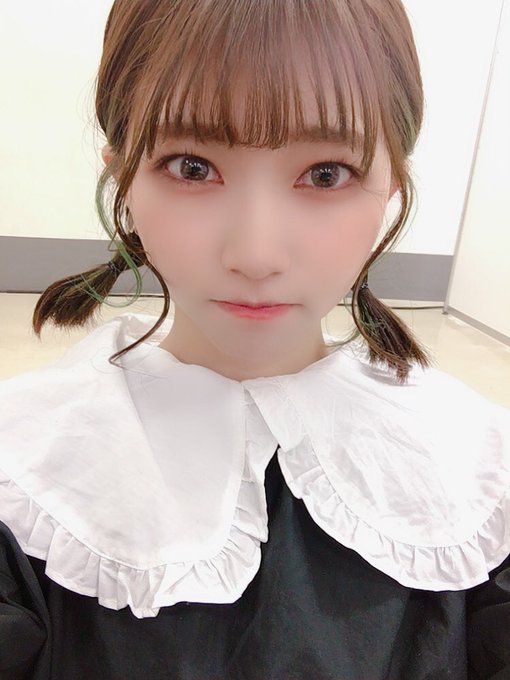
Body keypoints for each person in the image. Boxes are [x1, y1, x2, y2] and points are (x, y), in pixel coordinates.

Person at [0, 0, 509, 678]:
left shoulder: (482, 477)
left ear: (394, 181)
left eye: (325, 174)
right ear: (121, 173)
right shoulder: (22, 478)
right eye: (192, 167)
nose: (256, 254)